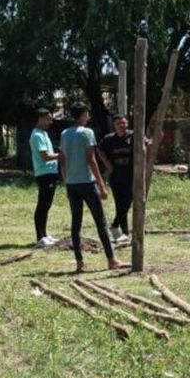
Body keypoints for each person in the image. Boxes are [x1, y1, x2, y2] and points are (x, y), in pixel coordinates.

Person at [58, 102, 123, 272]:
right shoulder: (87, 133)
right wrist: (101, 185)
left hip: (72, 184)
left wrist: (66, 181)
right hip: (87, 183)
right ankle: (111, 259)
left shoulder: (65, 133)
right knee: (100, 222)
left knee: (76, 223)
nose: (88, 116)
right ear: (83, 114)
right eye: (87, 113)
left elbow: (62, 160)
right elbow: (91, 160)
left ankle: (80, 262)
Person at [97, 113, 135, 244]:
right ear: (115, 125)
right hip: (116, 176)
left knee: (128, 201)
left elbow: (146, 144)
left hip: (131, 175)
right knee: (120, 204)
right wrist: (107, 164)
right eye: (120, 123)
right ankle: (125, 232)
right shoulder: (109, 139)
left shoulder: (133, 135)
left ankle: (114, 225)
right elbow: (99, 150)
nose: (122, 125)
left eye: (124, 123)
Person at [30, 108, 61, 248]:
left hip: (51, 173)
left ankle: (44, 234)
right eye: (48, 119)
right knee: (42, 205)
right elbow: (45, 156)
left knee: (47, 205)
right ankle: (39, 237)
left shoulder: (44, 133)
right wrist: (61, 155)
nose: (51, 121)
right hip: (44, 174)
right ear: (40, 118)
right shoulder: (37, 135)